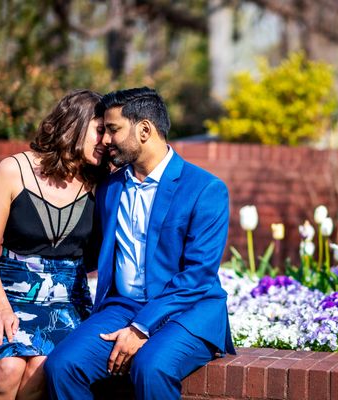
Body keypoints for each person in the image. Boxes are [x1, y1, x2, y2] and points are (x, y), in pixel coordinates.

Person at [44, 87, 236, 400]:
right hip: (123, 307)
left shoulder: (205, 189)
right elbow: (90, 250)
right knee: (62, 366)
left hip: (188, 310)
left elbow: (198, 277)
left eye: (113, 129)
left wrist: (141, 328)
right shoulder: (110, 188)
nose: (105, 139)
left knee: (151, 367)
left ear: (144, 130)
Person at [0, 89, 109, 400]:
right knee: (8, 369)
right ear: (75, 123)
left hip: (67, 303)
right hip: (9, 296)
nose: (105, 141)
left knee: (42, 366)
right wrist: (0, 308)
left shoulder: (99, 183)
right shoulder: (13, 170)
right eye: (100, 130)